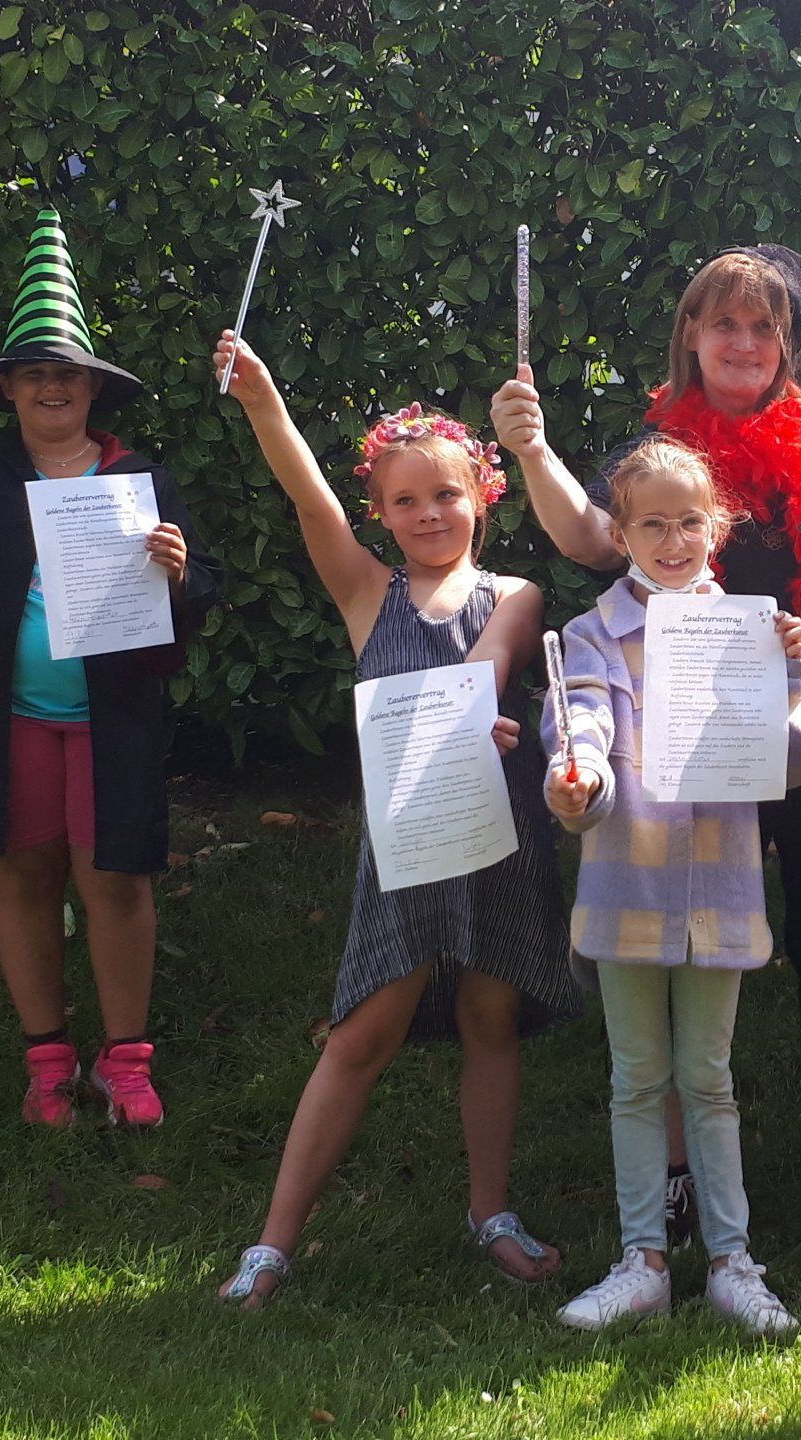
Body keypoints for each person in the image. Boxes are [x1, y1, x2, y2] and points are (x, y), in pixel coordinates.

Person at [493, 246, 801, 1260]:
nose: (745, 343)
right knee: (669, 934)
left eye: (765, 327)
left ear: (790, 343)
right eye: (726, 324)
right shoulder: (659, 446)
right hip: (674, 744)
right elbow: (591, 538)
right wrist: (532, 452)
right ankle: (672, 1179)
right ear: (693, 335)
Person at [212, 334, 578, 1306]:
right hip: (409, 841)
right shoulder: (365, 593)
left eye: (446, 494)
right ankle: (273, 1247)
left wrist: (475, 704)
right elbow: (309, 501)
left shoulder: (517, 593)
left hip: (499, 830)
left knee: (491, 1017)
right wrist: (262, 401)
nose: (428, 514)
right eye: (405, 500)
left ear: (483, 496)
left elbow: (495, 655)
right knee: (360, 1034)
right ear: (379, 513)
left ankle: (491, 1212)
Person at [0, 208, 220, 1129]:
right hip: (12, 718)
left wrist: (178, 569)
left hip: (113, 717)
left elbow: (201, 588)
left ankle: (127, 1061)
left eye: (66, 373)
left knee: (116, 879)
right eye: (34, 373)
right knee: (24, 873)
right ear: (10, 389)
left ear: (92, 388)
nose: (52, 387)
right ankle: (48, 1058)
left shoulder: (137, 476)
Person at [543, 437, 801, 1336]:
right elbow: (580, 726)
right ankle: (644, 1263)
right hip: (627, 889)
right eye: (652, 525)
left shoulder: (751, 627)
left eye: (690, 522)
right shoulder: (591, 635)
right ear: (619, 533)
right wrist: (579, 776)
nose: (673, 541)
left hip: (721, 895)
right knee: (635, 1079)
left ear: (718, 527)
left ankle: (734, 1264)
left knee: (707, 1077)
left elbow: (796, 762)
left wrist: (791, 676)